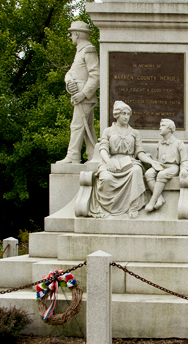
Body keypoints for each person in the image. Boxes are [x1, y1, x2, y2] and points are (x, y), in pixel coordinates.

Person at [90, 101, 157, 219]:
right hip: (111, 161)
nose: (126, 117)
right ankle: (108, 208)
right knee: (106, 178)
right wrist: (108, 161)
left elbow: (140, 152)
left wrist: (151, 162)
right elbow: (103, 149)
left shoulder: (135, 133)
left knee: (136, 171)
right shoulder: (108, 131)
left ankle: (133, 206)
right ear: (117, 115)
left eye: (128, 114)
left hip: (130, 162)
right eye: (123, 114)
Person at [56, 21, 99, 164]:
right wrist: (69, 82)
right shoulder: (79, 51)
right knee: (87, 127)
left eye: (72, 34)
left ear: (78, 34)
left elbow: (96, 74)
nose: (71, 37)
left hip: (85, 97)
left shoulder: (88, 50)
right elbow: (71, 73)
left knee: (77, 125)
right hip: (79, 96)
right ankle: (93, 155)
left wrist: (84, 94)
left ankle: (73, 156)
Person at [144, 119, 188, 212]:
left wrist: (185, 169)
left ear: (169, 129)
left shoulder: (179, 143)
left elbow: (184, 160)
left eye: (162, 126)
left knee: (161, 175)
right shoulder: (159, 143)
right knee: (148, 174)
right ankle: (159, 198)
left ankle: (152, 202)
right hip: (161, 166)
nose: (159, 128)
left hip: (173, 167)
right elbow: (157, 158)